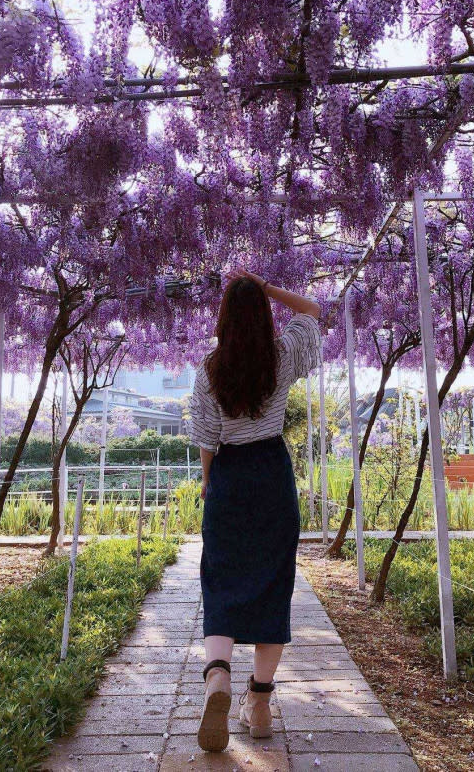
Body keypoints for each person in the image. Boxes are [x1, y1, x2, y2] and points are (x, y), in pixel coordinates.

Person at [189, 268, 321, 752]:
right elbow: (312, 311)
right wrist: (267, 287)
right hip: (271, 474)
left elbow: (207, 438)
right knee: (272, 586)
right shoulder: (281, 356)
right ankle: (259, 704)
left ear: (223, 318)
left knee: (220, 582)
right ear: (264, 316)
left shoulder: (209, 369)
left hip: (230, 478)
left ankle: (217, 681)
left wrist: (208, 482)